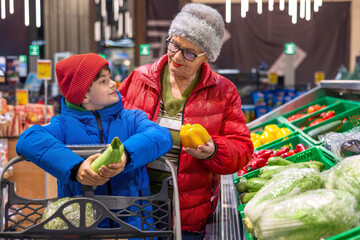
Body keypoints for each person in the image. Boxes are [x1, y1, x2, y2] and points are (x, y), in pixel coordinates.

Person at [119, 3, 254, 239]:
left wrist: (214, 151)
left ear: (206, 57)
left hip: (188, 211)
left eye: (189, 53)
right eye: (174, 45)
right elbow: (114, 124)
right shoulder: (140, 78)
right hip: (136, 201)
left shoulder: (223, 92)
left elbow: (242, 149)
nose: (177, 57)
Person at [16, 53, 173, 230]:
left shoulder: (132, 119)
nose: (113, 84)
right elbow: (27, 139)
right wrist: (76, 168)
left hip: (135, 226)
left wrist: (125, 154)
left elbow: (161, 135)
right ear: (84, 96)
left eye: (110, 78)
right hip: (82, 228)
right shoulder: (63, 126)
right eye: (103, 81)